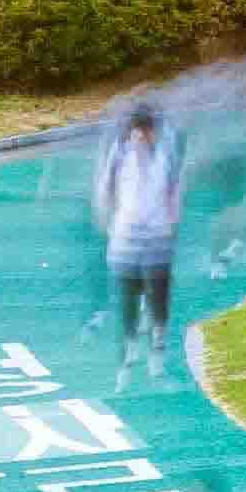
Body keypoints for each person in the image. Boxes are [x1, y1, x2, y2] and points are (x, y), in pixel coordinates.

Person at [93, 104, 184, 376]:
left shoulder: (166, 156)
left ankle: (158, 335)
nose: (143, 138)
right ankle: (131, 342)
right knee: (129, 291)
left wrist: (171, 223)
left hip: (157, 234)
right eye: (138, 133)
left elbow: (174, 191)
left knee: (158, 289)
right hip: (126, 235)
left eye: (147, 132)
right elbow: (106, 189)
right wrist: (107, 220)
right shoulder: (120, 155)